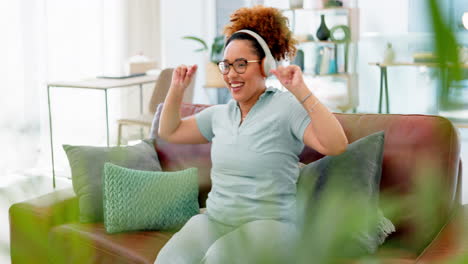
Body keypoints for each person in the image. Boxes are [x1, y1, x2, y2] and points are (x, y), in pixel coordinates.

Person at [155, 5, 348, 264]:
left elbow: (335, 145)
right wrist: (176, 89)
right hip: (215, 220)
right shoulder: (219, 115)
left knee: (218, 259)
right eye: (226, 65)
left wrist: (301, 91)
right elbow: (169, 131)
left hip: (271, 226)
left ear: (265, 66)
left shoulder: (286, 108)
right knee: (170, 259)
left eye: (241, 65)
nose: (231, 74)